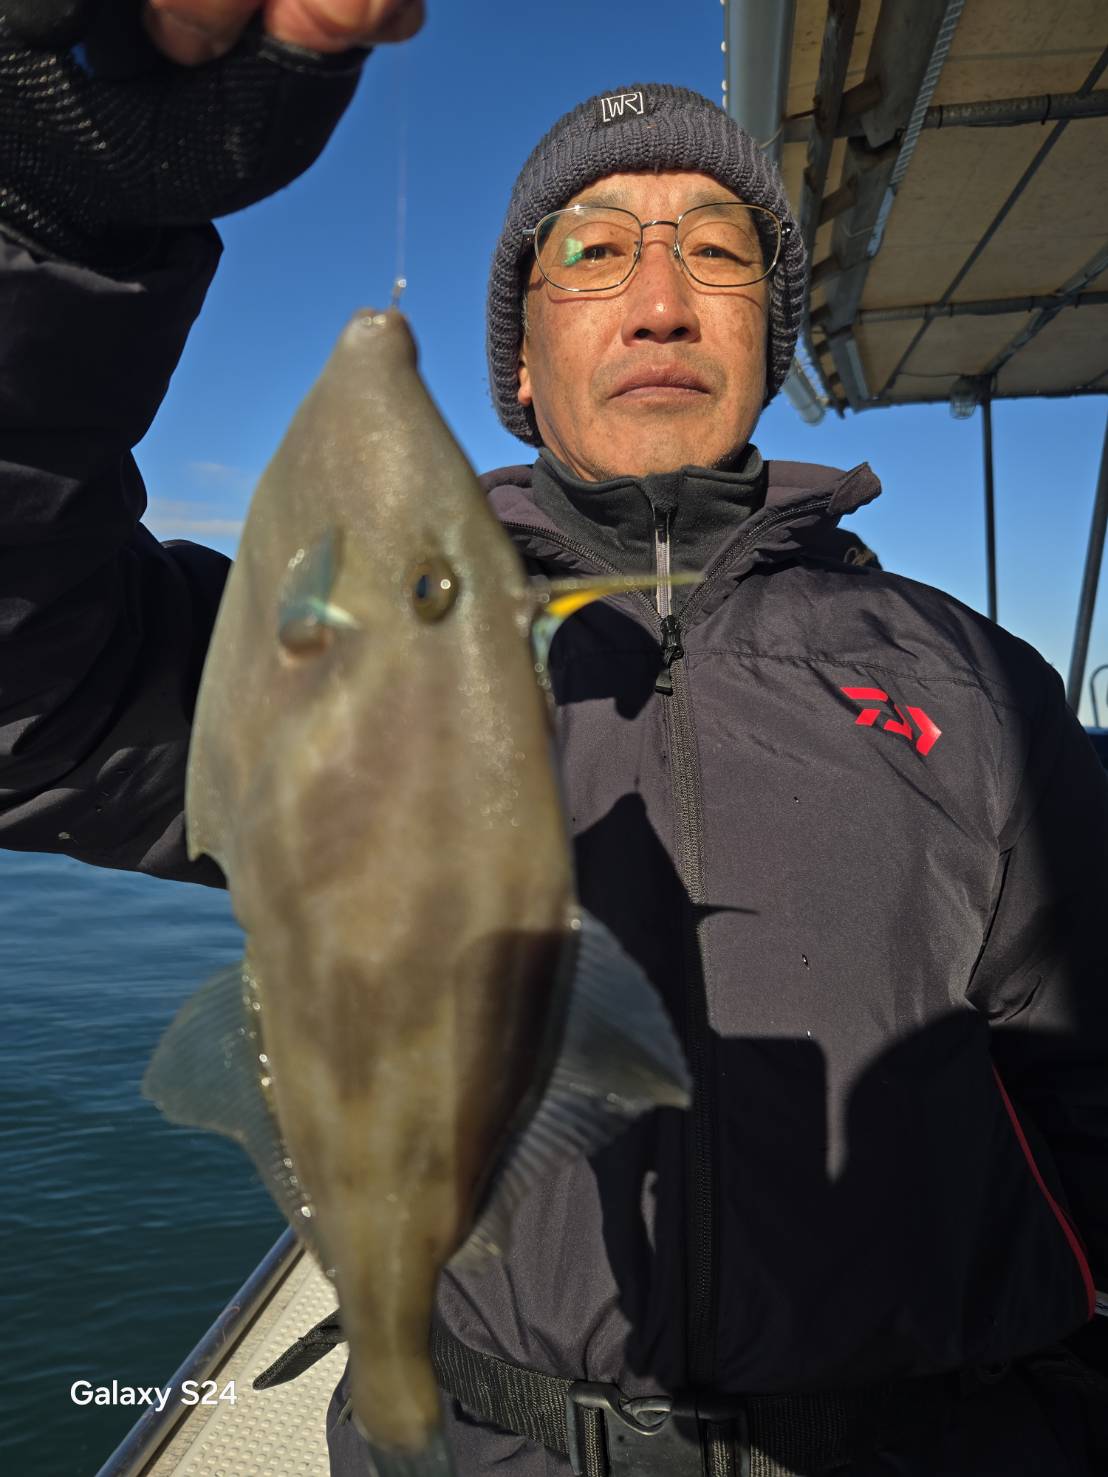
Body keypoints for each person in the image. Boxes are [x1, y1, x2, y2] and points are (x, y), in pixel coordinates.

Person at [1, 4, 1106, 1475]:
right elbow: (27, 673)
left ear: (766, 339)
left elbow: (1087, 1088)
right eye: (592, 251)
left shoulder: (974, 685)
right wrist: (70, 181)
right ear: (519, 362)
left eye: (715, 252)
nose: (661, 302)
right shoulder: (333, 657)